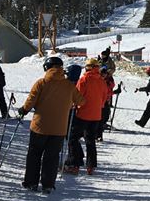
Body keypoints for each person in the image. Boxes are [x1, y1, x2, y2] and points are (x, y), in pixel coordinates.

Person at [17, 56, 85, 193]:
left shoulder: (41, 83)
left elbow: (31, 100)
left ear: (47, 68)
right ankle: (48, 184)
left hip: (39, 127)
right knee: (52, 157)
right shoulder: (69, 85)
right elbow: (81, 101)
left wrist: (24, 110)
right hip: (59, 129)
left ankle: (31, 182)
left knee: (34, 155)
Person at [64, 58, 109, 175]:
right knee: (90, 140)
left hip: (83, 113)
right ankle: (91, 165)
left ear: (89, 67)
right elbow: (105, 97)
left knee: (73, 138)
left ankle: (74, 164)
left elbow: (78, 96)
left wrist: (75, 105)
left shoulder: (84, 79)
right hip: (96, 115)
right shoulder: (102, 81)